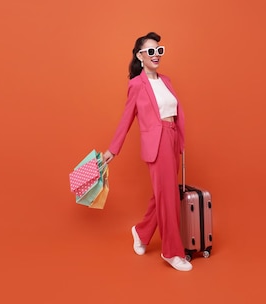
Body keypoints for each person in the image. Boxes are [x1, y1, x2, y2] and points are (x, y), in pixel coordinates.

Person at [102, 32, 192, 272]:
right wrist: (114, 149)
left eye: (159, 50)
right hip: (157, 140)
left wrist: (180, 142)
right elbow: (127, 117)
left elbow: (175, 113)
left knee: (164, 194)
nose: (156, 55)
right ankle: (172, 252)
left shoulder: (167, 81)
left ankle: (141, 233)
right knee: (168, 197)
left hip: (172, 138)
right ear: (140, 56)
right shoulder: (137, 85)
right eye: (150, 51)